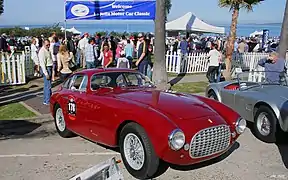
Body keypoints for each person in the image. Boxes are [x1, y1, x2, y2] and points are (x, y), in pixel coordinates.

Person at [38, 39, 53, 105]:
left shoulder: (47, 50)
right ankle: (48, 101)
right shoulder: (42, 51)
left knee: (47, 85)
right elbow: (42, 63)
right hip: (47, 68)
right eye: (47, 45)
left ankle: (46, 100)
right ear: (43, 44)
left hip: (49, 67)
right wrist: (46, 73)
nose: (48, 46)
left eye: (49, 44)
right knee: (48, 86)